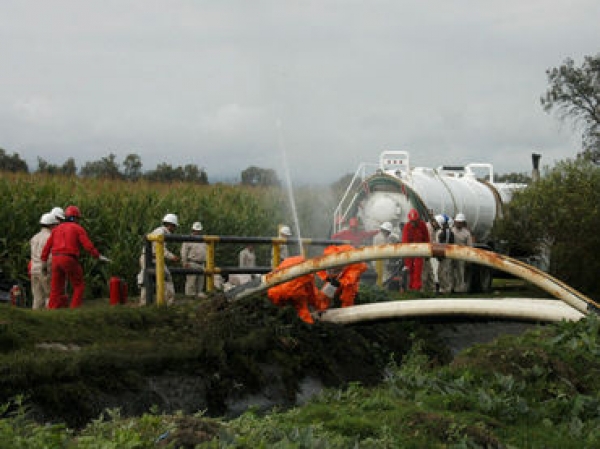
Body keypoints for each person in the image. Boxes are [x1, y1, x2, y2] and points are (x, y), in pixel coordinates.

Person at [41, 205, 105, 309]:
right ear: (74, 218)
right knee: (78, 285)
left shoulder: (56, 229)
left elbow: (47, 246)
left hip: (55, 259)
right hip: (69, 258)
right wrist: (97, 255)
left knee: (55, 288)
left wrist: (43, 261)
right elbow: (87, 245)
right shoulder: (78, 228)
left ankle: (52, 310)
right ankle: (74, 309)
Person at [138, 213, 180, 306]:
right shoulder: (161, 233)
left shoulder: (159, 231)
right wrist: (172, 256)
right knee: (166, 277)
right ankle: (168, 302)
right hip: (154, 258)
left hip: (147, 257)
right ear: (170, 225)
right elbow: (160, 248)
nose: (175, 229)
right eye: (174, 226)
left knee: (147, 279)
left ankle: (144, 303)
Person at [268, 255, 323, 324]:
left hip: (274, 293)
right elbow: (312, 293)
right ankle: (309, 328)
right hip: (293, 290)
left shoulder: (285, 263)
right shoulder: (307, 268)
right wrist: (319, 308)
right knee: (302, 311)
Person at [29, 213, 59, 309]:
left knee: (37, 298)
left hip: (33, 269)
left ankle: (35, 320)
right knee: (49, 296)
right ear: (51, 225)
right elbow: (50, 256)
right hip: (44, 269)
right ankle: (49, 318)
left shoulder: (34, 237)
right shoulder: (50, 237)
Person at [401, 208, 430, 291]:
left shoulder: (422, 225)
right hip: (409, 252)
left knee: (418, 269)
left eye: (415, 221)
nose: (413, 223)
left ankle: (416, 287)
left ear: (418, 219)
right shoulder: (407, 226)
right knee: (409, 269)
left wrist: (427, 252)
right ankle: (410, 287)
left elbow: (426, 238)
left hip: (420, 251)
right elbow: (405, 241)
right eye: (412, 221)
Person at [181, 221, 207, 298]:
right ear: (193, 230)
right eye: (196, 231)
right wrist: (184, 262)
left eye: (199, 231)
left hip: (202, 263)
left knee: (200, 281)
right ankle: (190, 296)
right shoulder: (188, 239)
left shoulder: (203, 239)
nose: (198, 232)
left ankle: (199, 293)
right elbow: (184, 252)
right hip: (192, 262)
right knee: (191, 281)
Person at [452, 213, 473, 293]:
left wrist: (469, 259)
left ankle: (460, 289)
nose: (458, 223)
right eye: (457, 222)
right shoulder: (451, 230)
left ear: (463, 223)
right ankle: (452, 287)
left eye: (460, 222)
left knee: (460, 272)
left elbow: (470, 246)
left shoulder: (466, 233)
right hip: (452, 254)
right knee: (451, 272)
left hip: (462, 256)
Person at [422, 214, 442, 294]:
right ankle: (423, 291)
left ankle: (432, 290)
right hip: (424, 254)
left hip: (427, 255)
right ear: (435, 222)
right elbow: (428, 242)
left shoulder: (432, 229)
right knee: (425, 274)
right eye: (438, 225)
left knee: (429, 273)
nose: (438, 228)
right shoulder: (428, 228)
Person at [436, 214, 455, 294]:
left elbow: (445, 243)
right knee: (440, 272)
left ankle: (446, 289)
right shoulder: (444, 231)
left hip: (445, 255)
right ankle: (443, 288)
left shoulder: (446, 232)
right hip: (442, 255)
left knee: (444, 272)